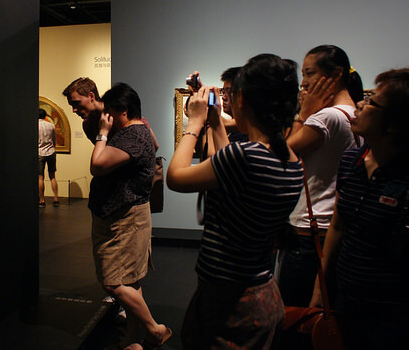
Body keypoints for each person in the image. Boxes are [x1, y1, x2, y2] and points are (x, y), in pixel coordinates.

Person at [167, 54, 303, 349]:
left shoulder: (246, 156)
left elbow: (175, 177)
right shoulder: (289, 159)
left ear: (241, 99)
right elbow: (229, 167)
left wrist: (194, 123)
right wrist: (214, 120)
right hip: (261, 292)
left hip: (229, 303)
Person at [310, 68, 409, 349]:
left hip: (392, 312)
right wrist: (320, 290)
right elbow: (338, 225)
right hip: (346, 299)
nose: (361, 104)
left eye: (373, 101)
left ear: (394, 124)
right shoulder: (351, 160)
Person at [277, 45, 363, 307]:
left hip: (308, 230)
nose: (304, 81)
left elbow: (283, 153)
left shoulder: (326, 117)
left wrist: (304, 114)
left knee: (294, 313)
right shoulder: (355, 115)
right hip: (332, 224)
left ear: (336, 75)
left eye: (310, 73)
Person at [88, 82, 171, 349]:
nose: (106, 116)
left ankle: (155, 329)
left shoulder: (132, 135)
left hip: (124, 219)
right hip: (123, 215)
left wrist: (102, 133)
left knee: (113, 282)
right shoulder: (138, 130)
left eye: (109, 111)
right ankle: (133, 339)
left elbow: (98, 165)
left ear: (122, 111)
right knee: (131, 281)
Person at [219, 66, 249, 143]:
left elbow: (215, 154)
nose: (223, 97)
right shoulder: (232, 131)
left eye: (228, 92)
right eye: (223, 92)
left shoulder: (244, 132)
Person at [38, 108, 59, 208]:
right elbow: (54, 140)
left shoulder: (35, 125)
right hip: (51, 152)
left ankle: (42, 200)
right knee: (53, 176)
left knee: (40, 177)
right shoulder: (51, 125)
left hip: (39, 153)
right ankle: (56, 198)